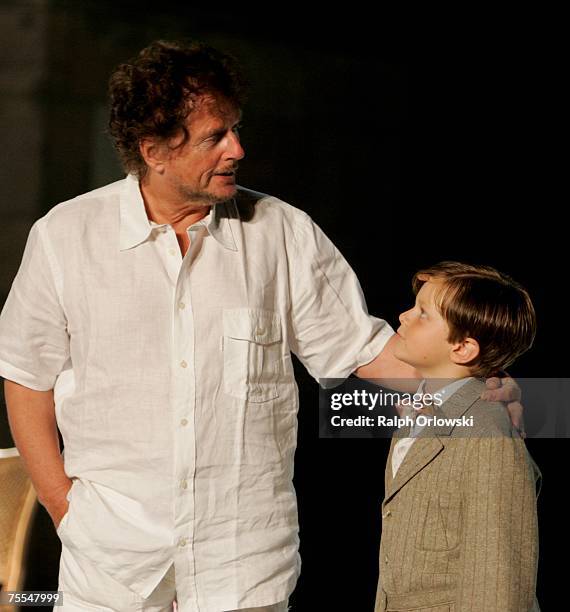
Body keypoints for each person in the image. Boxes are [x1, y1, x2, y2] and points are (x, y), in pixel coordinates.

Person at [0, 41, 521, 611]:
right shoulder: (64, 238)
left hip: (244, 568)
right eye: (214, 137)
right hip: (110, 565)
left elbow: (364, 350)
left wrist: (472, 394)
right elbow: (28, 377)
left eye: (236, 129)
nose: (238, 150)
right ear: (154, 151)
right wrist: (62, 506)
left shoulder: (282, 232)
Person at [375, 262, 542, 612]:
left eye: (423, 314)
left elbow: (497, 580)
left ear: (463, 349)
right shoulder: (418, 412)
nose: (403, 316)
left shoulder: (488, 437)